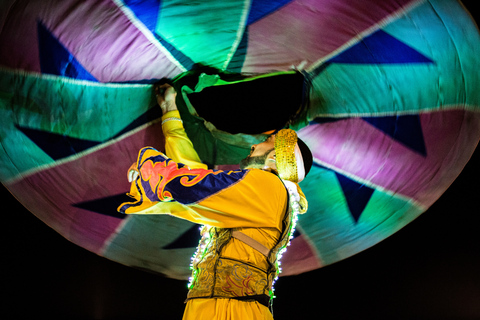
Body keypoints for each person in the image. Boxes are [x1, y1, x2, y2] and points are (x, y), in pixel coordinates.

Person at [118, 82, 313, 320]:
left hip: (232, 310)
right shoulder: (258, 195)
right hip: (215, 307)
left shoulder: (268, 187)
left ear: (274, 157)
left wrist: (152, 167)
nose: (254, 144)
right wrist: (170, 109)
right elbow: (193, 173)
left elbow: (196, 186)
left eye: (266, 140)